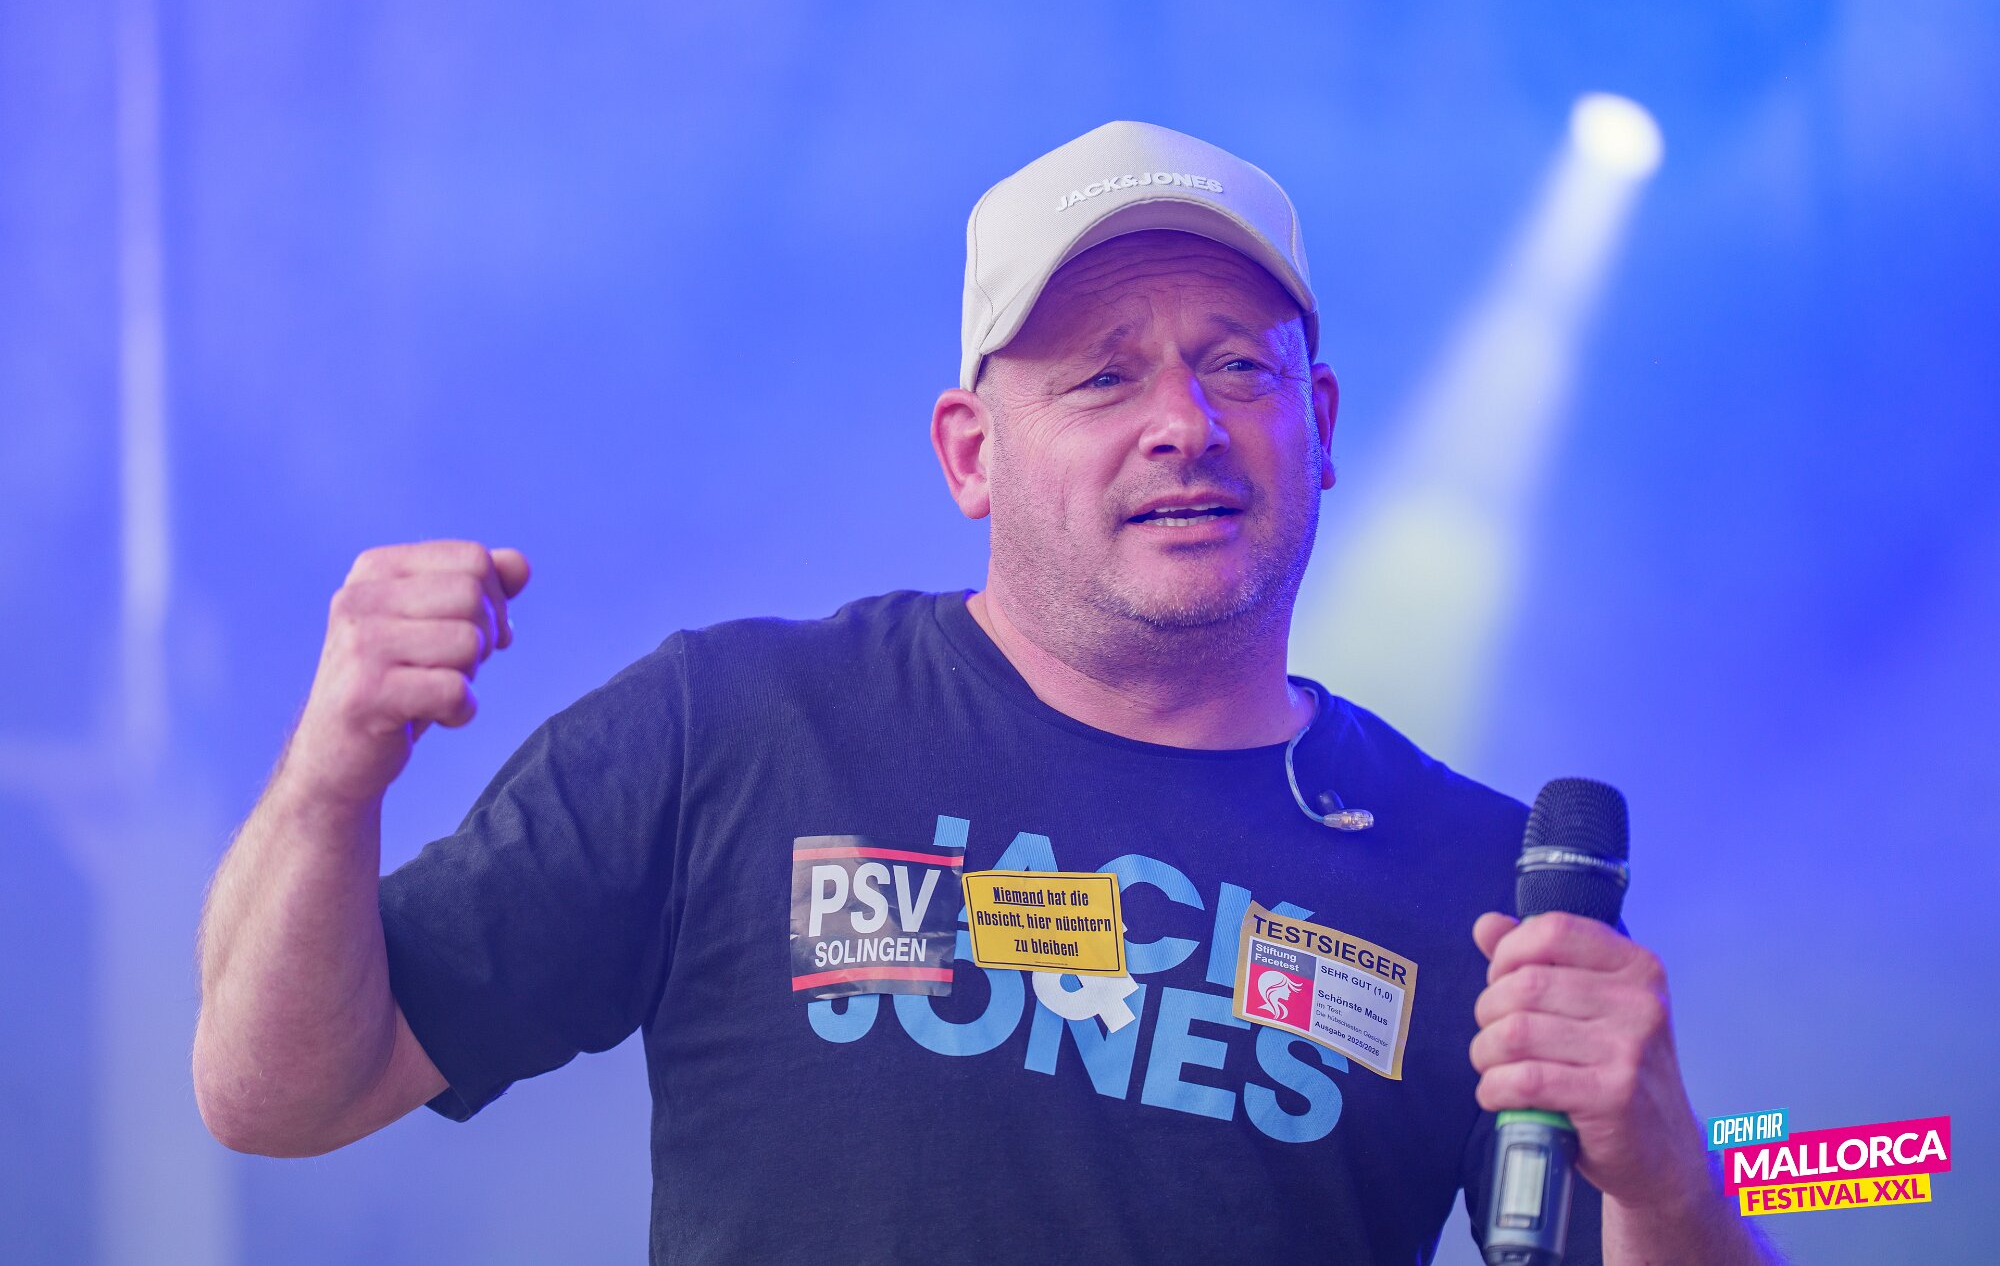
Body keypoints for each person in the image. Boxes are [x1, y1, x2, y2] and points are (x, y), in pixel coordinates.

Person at [194, 121, 1769, 1264]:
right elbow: (281, 1091)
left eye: (1239, 365)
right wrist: (336, 768)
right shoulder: (736, 727)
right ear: (971, 453)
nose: (1185, 422)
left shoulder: (1473, 877)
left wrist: (1670, 1178)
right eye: (1103, 374)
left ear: (1323, 421)